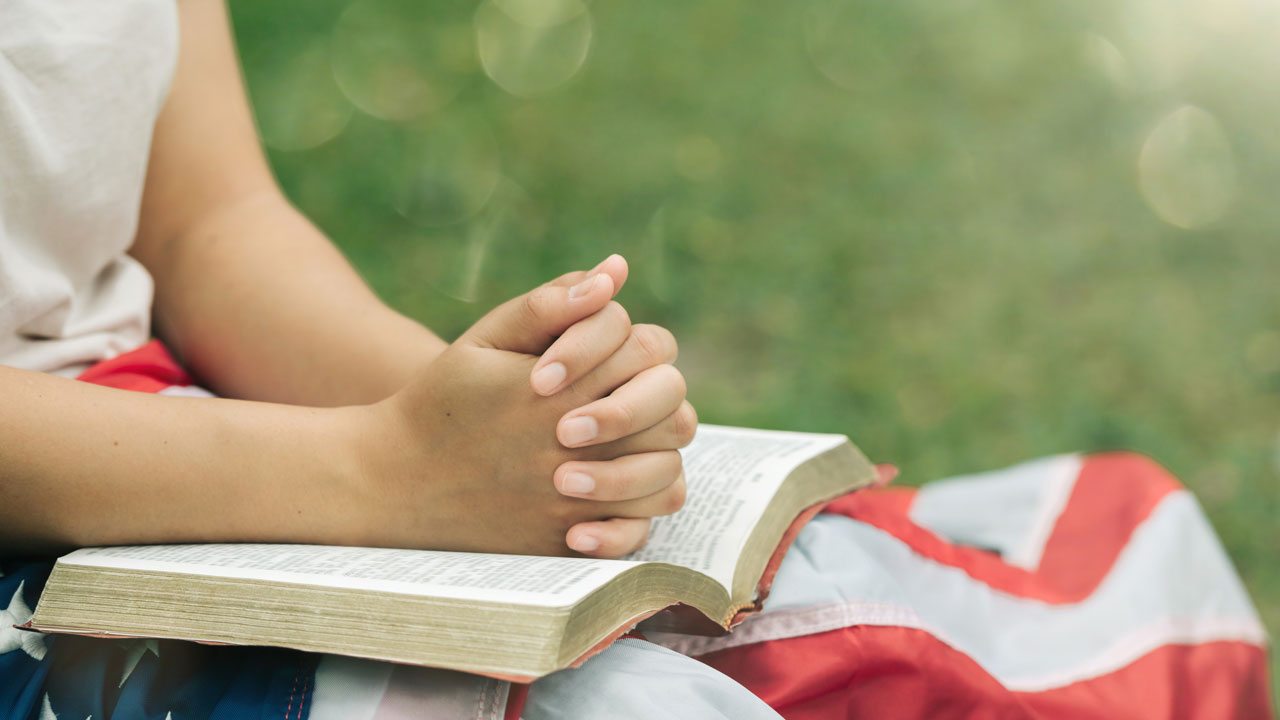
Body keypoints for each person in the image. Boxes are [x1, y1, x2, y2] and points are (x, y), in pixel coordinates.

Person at [2, 1, 1272, 718]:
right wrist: (373, 473)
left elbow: (205, 224)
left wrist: (487, 424)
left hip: (201, 436)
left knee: (858, 621)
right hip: (50, 556)